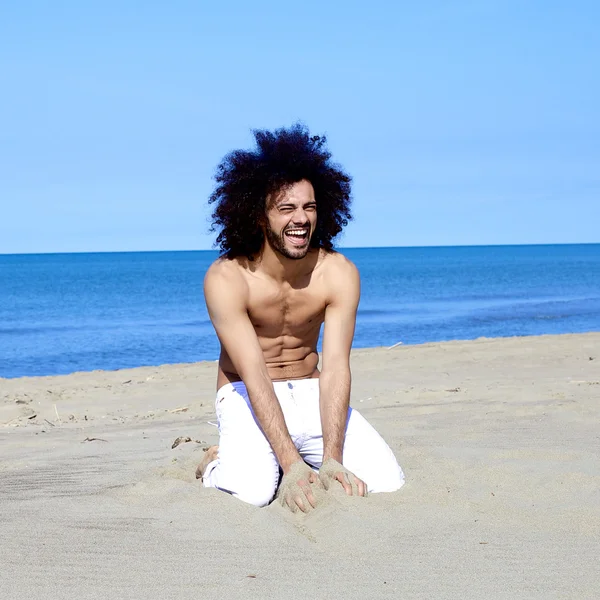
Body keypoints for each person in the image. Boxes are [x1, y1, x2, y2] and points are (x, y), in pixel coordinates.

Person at [197, 124, 404, 512]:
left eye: (309, 207)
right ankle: (216, 463)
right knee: (253, 493)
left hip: (311, 392)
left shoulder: (338, 272)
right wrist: (291, 466)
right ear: (260, 216)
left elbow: (337, 368)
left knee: (386, 482)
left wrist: (332, 459)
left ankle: (296, 455)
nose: (301, 219)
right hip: (246, 393)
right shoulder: (227, 278)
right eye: (287, 208)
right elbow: (254, 374)